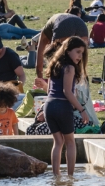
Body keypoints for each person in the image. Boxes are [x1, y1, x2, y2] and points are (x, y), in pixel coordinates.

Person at [44, 36, 89, 175]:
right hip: (62, 106)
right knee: (70, 142)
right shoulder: (69, 68)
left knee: (57, 142)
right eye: (78, 52)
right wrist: (82, 110)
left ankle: (56, 176)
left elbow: (48, 90)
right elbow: (67, 92)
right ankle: (70, 177)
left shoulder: (54, 64)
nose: (80, 56)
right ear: (68, 51)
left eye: (82, 53)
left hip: (49, 105)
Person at [35, 12, 89, 89]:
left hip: (63, 25)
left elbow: (39, 62)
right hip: (82, 24)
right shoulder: (50, 29)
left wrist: (40, 81)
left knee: (57, 60)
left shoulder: (44, 34)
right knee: (78, 56)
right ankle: (79, 87)